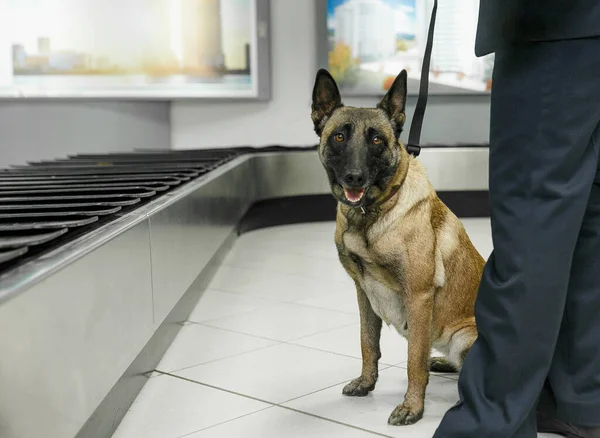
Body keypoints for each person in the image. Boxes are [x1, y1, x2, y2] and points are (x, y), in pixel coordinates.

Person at [433, 1, 600, 437]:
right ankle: (581, 397)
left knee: (533, 218)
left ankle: (490, 421)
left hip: (553, 26)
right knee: (588, 224)